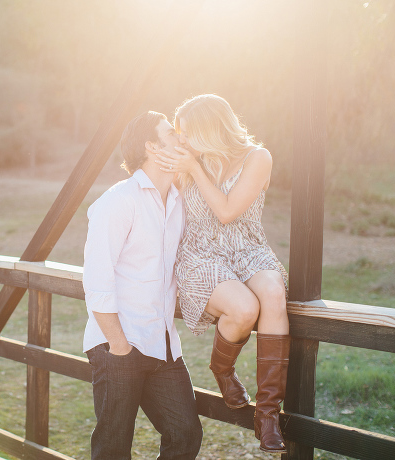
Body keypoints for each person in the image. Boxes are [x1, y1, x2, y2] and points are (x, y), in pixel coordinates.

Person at [154, 94, 290, 453]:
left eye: (187, 133)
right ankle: (223, 370)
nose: (182, 141)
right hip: (201, 255)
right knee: (245, 309)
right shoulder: (188, 163)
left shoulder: (257, 158)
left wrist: (195, 170)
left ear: (209, 128)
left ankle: (267, 415)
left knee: (274, 293)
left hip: (248, 249)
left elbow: (228, 211)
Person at [82, 111, 203, 460]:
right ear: (152, 146)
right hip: (120, 346)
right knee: (113, 448)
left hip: (163, 347)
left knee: (185, 433)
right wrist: (119, 346)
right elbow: (98, 278)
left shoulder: (180, 202)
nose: (181, 138)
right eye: (171, 133)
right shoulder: (118, 201)